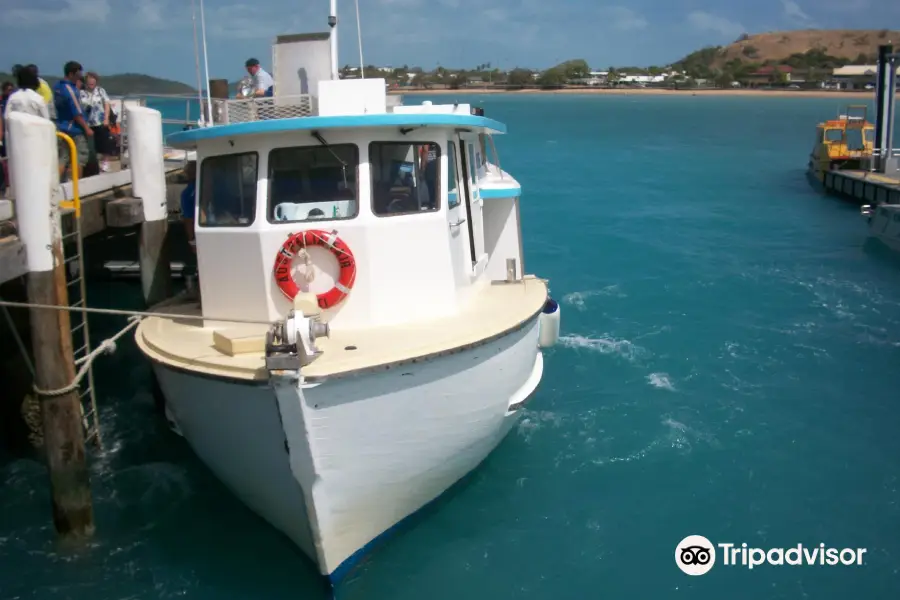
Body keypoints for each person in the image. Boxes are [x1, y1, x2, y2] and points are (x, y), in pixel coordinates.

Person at [52, 61, 92, 181]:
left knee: (63, 158)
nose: (80, 77)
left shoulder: (58, 86)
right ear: (71, 74)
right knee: (80, 158)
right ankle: (76, 186)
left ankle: (57, 184)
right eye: (78, 75)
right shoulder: (70, 90)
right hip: (74, 129)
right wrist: (87, 128)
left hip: (61, 127)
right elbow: (77, 112)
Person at [81, 72, 113, 172]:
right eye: (89, 81)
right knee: (91, 146)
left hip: (100, 121)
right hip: (87, 123)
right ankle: (92, 165)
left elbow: (107, 104)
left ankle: (105, 163)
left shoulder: (100, 91)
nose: (91, 83)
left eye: (93, 81)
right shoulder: (81, 92)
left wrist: (106, 118)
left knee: (104, 143)